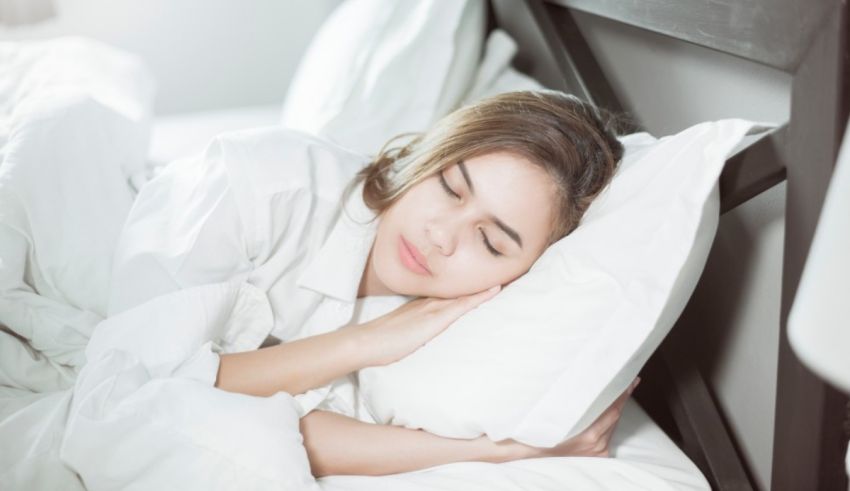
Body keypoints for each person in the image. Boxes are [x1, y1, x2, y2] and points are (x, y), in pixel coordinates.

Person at [210, 90, 637, 477]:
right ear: (431, 153)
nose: (441, 234)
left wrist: (505, 451)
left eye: (489, 241)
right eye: (451, 188)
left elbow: (289, 436)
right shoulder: (269, 189)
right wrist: (362, 343)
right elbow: (158, 379)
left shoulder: (450, 332)